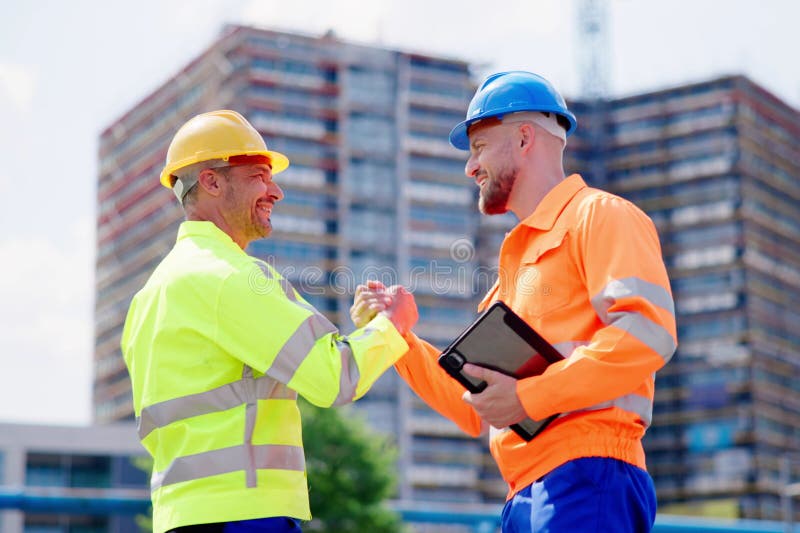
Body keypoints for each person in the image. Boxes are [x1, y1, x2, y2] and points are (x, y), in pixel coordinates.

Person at [352, 71, 677, 532]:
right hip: (525, 490)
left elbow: (648, 336)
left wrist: (528, 396)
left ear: (524, 139)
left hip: (588, 471)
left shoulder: (600, 216)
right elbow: (475, 406)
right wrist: (400, 338)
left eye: (479, 146)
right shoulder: (514, 268)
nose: (470, 166)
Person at [121, 109, 418, 533]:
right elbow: (334, 377)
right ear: (211, 181)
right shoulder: (231, 277)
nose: (275, 191)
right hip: (246, 515)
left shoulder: (150, 295)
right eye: (259, 175)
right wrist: (392, 325)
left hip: (179, 517)